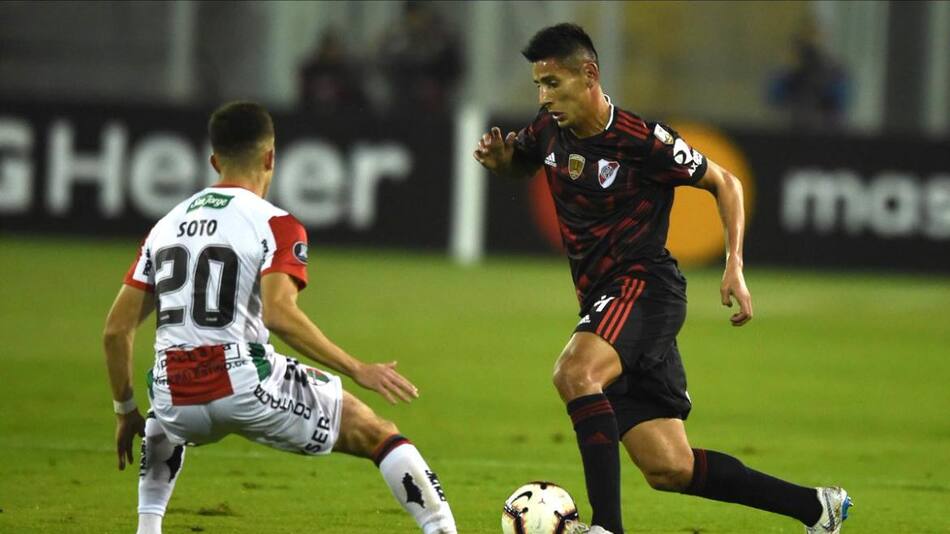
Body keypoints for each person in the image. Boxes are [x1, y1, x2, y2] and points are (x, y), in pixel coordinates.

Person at [473, 23, 851, 534]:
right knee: (669, 467)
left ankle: (606, 528)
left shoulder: (643, 140)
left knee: (575, 374)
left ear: (589, 74)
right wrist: (502, 164)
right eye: (539, 85)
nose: (544, 97)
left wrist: (735, 264)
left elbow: (727, 183)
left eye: (553, 84)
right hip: (606, 301)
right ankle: (817, 508)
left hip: (644, 288)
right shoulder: (548, 128)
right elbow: (523, 163)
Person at [103, 101, 457, 534]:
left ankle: (148, 527)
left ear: (214, 161)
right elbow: (280, 314)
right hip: (243, 381)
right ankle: (443, 529)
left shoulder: (164, 226)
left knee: (160, 412)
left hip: (176, 396)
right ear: (271, 157)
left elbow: (116, 331)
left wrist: (125, 411)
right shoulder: (276, 223)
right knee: (376, 432)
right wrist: (357, 368)